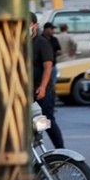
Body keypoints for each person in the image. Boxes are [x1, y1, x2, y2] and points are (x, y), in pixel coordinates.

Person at [32, 14, 65, 148]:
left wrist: (43, 87)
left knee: (47, 121)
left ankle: (60, 150)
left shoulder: (42, 43)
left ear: (35, 25)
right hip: (25, 92)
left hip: (42, 91)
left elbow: (48, 66)